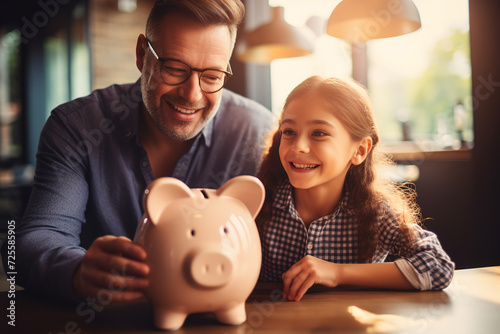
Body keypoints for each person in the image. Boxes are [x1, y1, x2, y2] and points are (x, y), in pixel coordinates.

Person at [2, 0, 273, 303]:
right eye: (174, 68)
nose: (192, 95)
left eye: (212, 76)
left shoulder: (258, 133)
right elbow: (25, 245)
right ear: (142, 54)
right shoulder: (76, 128)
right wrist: (77, 270)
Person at [257, 76, 454, 301]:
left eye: (319, 133)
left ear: (360, 150)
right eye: (289, 131)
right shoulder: (260, 202)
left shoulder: (375, 212)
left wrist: (337, 272)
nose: (298, 146)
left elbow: (438, 266)